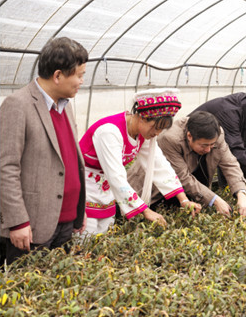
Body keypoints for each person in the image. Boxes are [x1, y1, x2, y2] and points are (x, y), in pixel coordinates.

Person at [0, 37, 88, 265]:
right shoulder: (18, 105)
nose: (81, 81)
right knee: (28, 293)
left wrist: (79, 210)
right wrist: (17, 222)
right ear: (57, 76)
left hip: (66, 222)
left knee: (57, 292)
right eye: (78, 75)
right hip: (32, 227)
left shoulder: (65, 106)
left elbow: (69, 160)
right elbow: (6, 168)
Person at [79, 88, 201, 236]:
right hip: (84, 189)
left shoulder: (141, 135)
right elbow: (116, 176)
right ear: (142, 117)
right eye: (155, 128)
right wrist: (146, 211)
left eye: (160, 130)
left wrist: (183, 200)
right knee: (85, 238)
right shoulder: (109, 132)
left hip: (106, 193)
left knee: (102, 239)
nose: (156, 133)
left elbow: (159, 165)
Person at [129, 111, 246, 217]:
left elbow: (229, 163)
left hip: (183, 190)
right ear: (189, 136)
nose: (208, 149)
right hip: (155, 190)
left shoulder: (216, 134)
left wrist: (241, 194)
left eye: (211, 145)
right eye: (204, 145)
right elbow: (183, 178)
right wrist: (215, 200)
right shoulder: (170, 139)